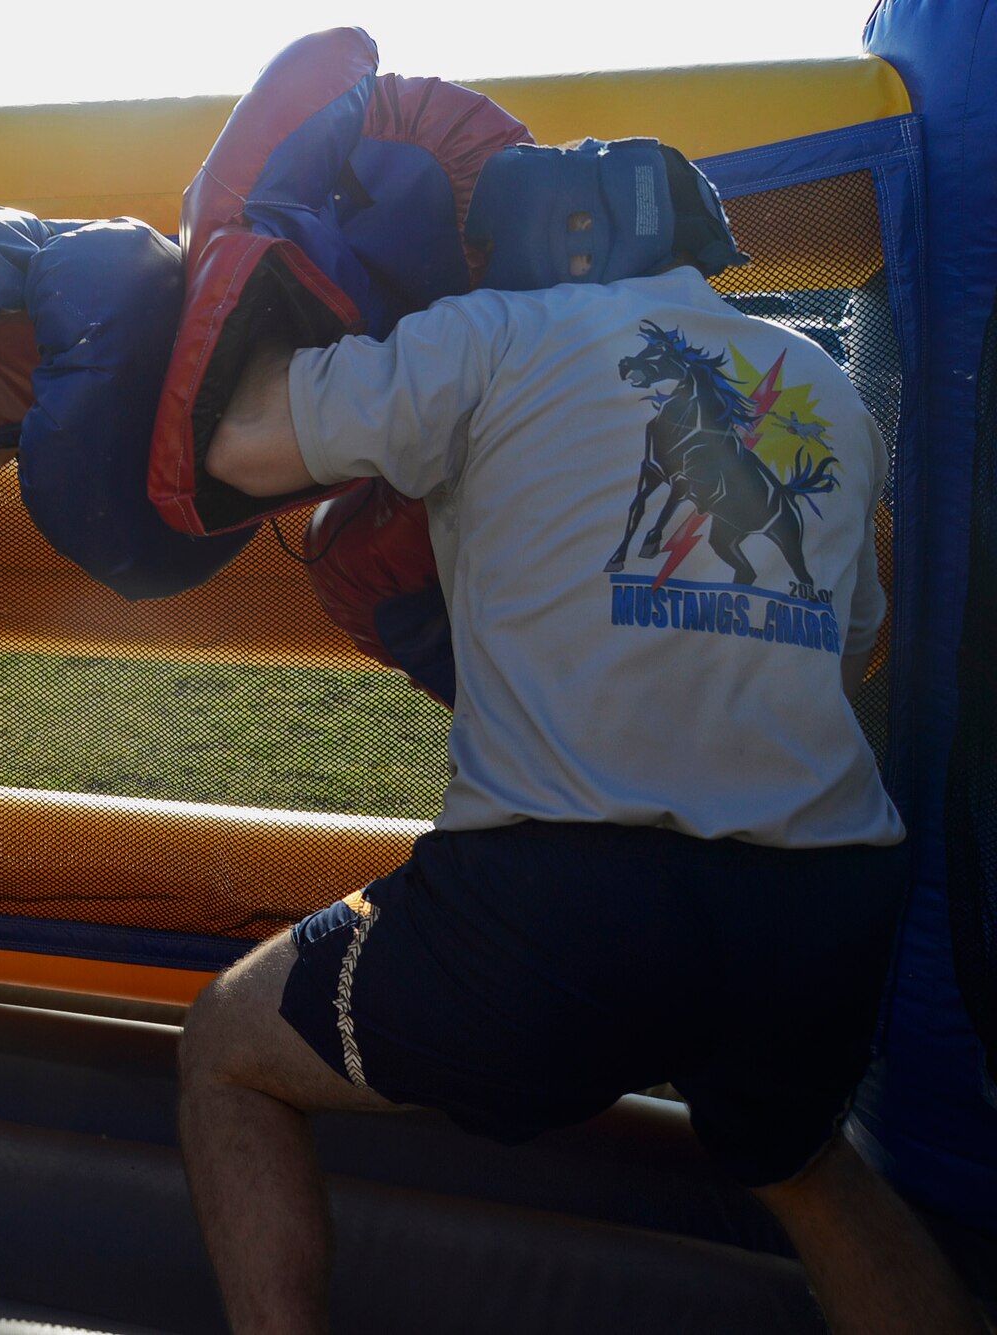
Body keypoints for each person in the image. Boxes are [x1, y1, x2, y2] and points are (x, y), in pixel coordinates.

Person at [176, 138, 989, 1334]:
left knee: (225, 1050)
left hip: (557, 905)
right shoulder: (818, 382)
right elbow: (852, 635)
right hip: (816, 904)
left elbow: (235, 442)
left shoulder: (494, 335)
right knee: (805, 1167)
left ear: (526, 247)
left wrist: (235, 260)